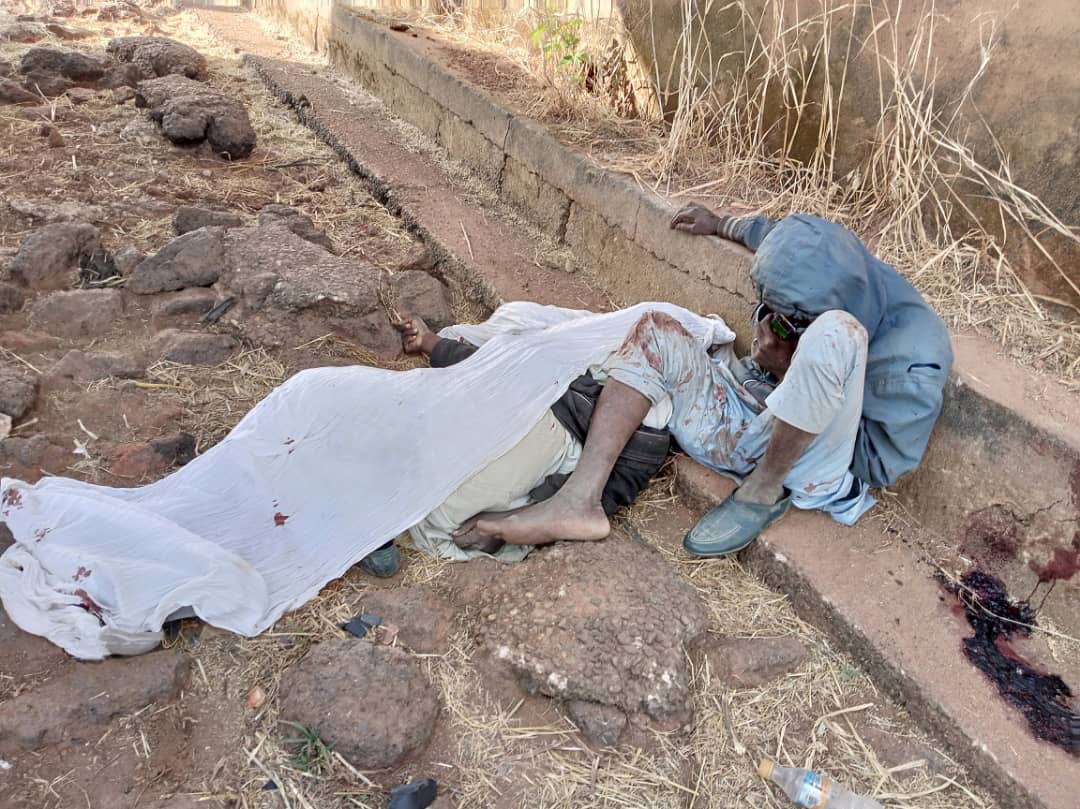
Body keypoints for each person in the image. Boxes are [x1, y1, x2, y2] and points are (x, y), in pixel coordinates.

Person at [472, 207, 953, 557]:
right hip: (750, 416)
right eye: (769, 311)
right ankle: (579, 500)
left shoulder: (914, 361)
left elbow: (872, 465)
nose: (772, 324)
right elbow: (773, 235)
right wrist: (720, 224)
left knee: (837, 334)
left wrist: (791, 370)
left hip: (807, 466)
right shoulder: (834, 262)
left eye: (790, 322)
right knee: (657, 328)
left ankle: (761, 492)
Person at [357, 313, 676, 576]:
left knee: (439, 527)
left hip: (564, 423)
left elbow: (494, 367)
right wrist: (431, 344)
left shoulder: (569, 374)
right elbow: (491, 365)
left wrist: (433, 344)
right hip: (568, 429)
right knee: (440, 522)